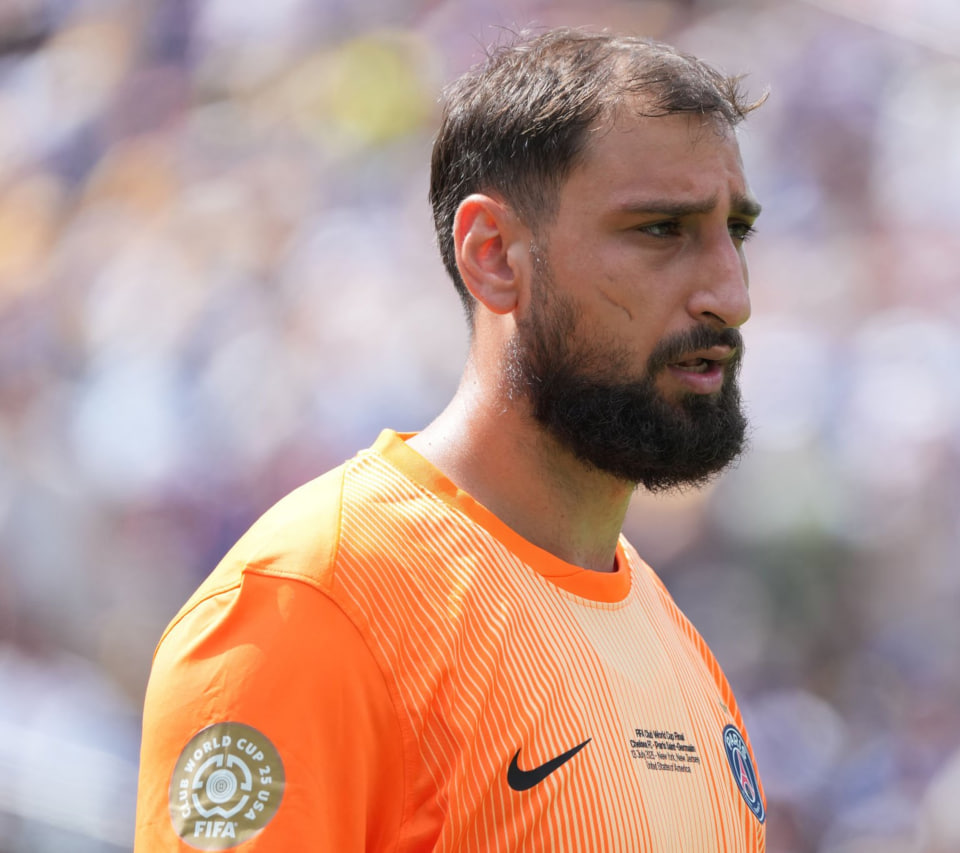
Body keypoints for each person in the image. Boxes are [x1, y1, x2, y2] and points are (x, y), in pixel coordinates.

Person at [135, 26, 767, 851]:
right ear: (493, 255)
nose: (730, 293)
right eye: (661, 229)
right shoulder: (311, 601)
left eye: (735, 232)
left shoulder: (677, 647)